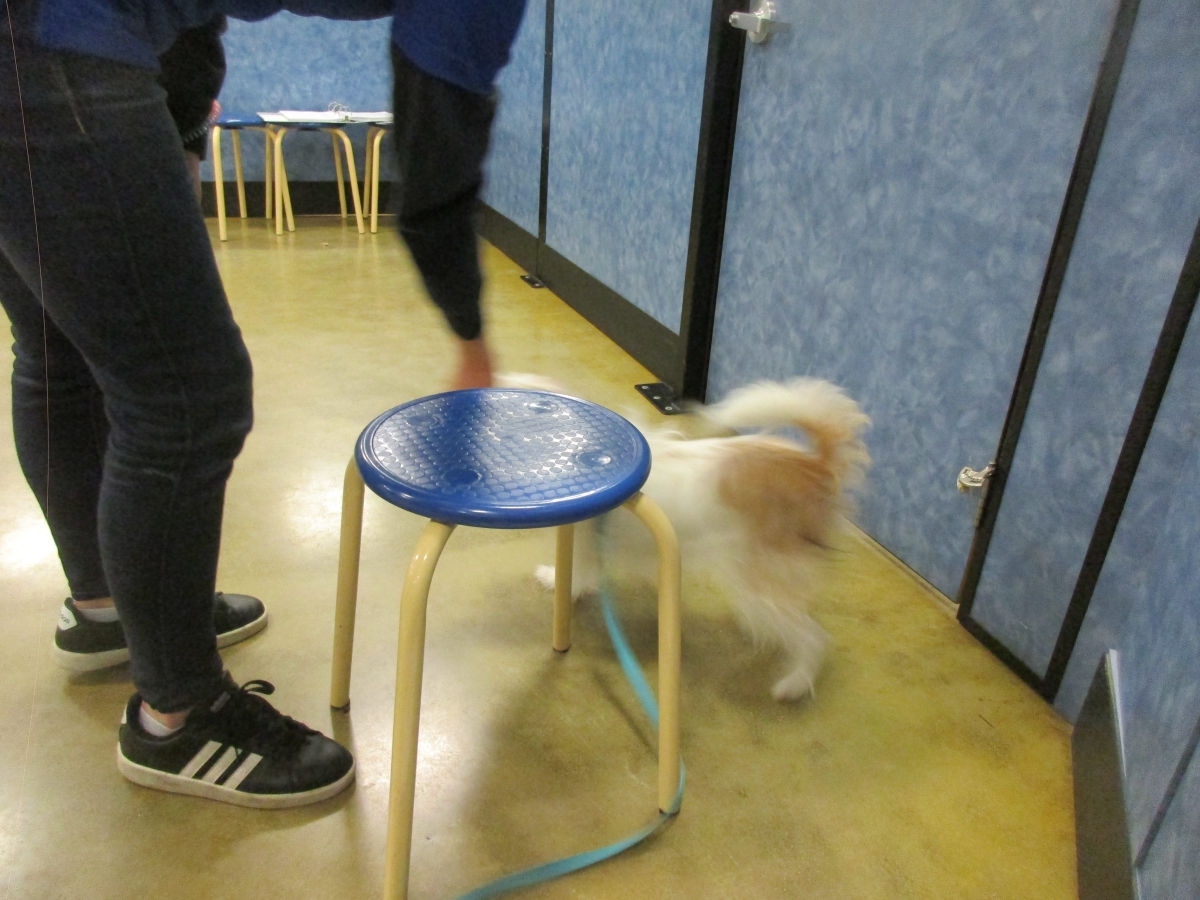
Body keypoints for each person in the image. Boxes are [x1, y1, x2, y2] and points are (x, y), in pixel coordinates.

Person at [0, 0, 387, 808]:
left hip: (41, 48)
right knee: (184, 396)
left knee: (59, 350)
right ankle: (179, 714)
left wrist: (176, 125)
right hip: (55, 51)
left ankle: (108, 609)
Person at [388, 0, 530, 390]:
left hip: (447, 32)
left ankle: (477, 362)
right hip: (437, 36)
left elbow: (435, 216)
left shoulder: (446, 33)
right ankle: (475, 357)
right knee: (432, 216)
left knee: (431, 217)